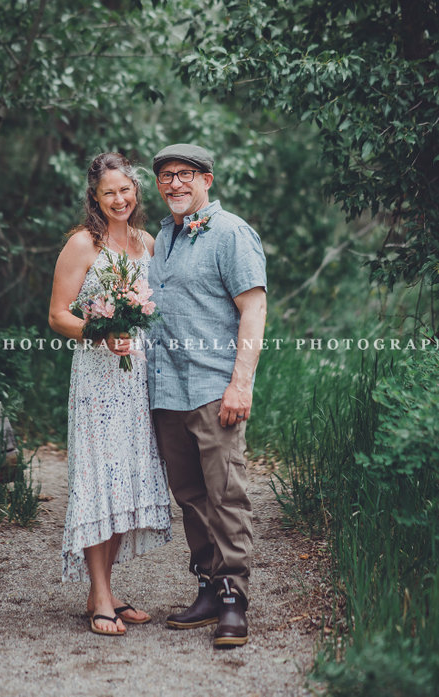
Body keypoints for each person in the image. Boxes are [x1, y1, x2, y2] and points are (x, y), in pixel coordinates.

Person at [147, 143, 267, 649]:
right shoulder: (163, 236)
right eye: (166, 176)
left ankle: (234, 599)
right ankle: (208, 589)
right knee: (191, 496)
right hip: (167, 389)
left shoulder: (232, 233)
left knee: (225, 494)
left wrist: (240, 383)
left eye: (186, 175)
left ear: (207, 180)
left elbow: (254, 309)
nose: (175, 184)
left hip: (215, 389)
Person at [48, 152, 171, 636]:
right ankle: (99, 595)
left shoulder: (148, 242)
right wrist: (100, 333)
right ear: (95, 199)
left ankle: (106, 588)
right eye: (108, 193)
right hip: (99, 377)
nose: (119, 199)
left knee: (127, 479)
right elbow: (59, 315)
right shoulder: (82, 244)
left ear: (135, 192)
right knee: (100, 477)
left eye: (125, 190)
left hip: (139, 376)